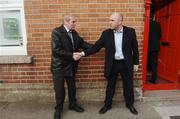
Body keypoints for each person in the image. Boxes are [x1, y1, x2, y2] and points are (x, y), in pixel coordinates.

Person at [77, 12, 139, 115]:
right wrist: (82, 53)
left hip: (126, 63)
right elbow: (96, 47)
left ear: (119, 22)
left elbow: (135, 49)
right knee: (110, 86)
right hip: (112, 64)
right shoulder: (106, 33)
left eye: (112, 20)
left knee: (128, 85)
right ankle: (107, 105)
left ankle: (130, 104)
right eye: (109, 20)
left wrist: (136, 63)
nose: (109, 22)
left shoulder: (130, 31)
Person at [51, 14, 92, 119]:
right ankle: (58, 109)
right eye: (73, 22)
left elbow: (82, 43)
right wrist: (71, 55)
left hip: (71, 66)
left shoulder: (74, 33)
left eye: (75, 22)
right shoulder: (56, 32)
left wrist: (96, 47)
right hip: (59, 67)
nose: (75, 24)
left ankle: (72, 105)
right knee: (60, 90)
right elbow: (56, 50)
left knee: (72, 88)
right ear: (66, 21)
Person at [147, 13, 162, 84]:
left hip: (147, 46)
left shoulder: (146, 24)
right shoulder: (157, 24)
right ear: (153, 17)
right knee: (154, 63)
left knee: (145, 62)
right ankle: (153, 79)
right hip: (155, 46)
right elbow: (160, 35)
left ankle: (144, 77)